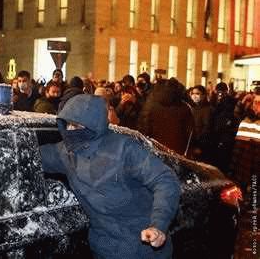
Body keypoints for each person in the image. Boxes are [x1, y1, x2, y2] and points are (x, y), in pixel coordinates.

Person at [39, 94, 181, 259]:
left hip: (142, 248)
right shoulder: (65, 152)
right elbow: (32, 155)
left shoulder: (124, 149)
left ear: (92, 125)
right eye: (68, 124)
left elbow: (165, 180)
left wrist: (158, 225)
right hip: (105, 249)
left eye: (76, 126)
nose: (70, 131)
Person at [138, 78, 194, 156]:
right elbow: (190, 132)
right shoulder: (185, 108)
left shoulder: (150, 106)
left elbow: (143, 128)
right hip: (177, 153)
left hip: (154, 151)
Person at [188, 85, 211, 160]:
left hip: (201, 145)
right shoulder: (193, 108)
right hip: (192, 143)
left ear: (203, 95)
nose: (194, 96)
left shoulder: (207, 109)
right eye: (193, 93)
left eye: (197, 94)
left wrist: (199, 146)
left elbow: (206, 128)